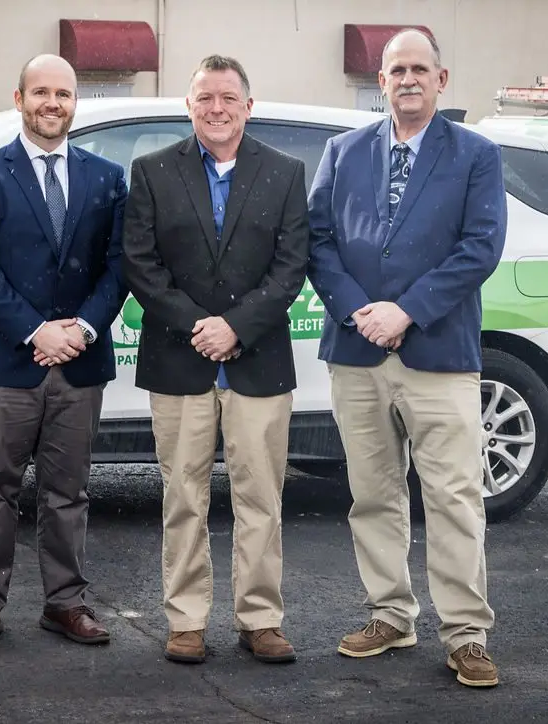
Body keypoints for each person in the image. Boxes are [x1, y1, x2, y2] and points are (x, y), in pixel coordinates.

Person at [306, 29, 507, 687]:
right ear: (381, 80)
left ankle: (466, 634)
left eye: (421, 69)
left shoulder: (475, 154)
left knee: (453, 497)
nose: (409, 79)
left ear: (441, 81)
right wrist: (359, 308)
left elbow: (479, 247)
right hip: (356, 351)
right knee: (373, 494)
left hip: (439, 354)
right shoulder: (343, 151)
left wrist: (407, 311)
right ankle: (390, 616)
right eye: (398, 70)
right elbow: (318, 240)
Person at [122, 54, 310, 665]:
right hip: (180, 361)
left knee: (261, 499)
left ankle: (260, 619)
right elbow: (141, 266)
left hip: (257, 364)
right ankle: (186, 620)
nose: (217, 108)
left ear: (248, 106)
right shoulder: (151, 172)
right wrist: (200, 327)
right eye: (205, 98)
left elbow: (290, 268)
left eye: (228, 98)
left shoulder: (285, 173)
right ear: (189, 105)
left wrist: (236, 328)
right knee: (183, 497)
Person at [0, 54, 129, 649]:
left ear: (77, 102)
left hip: (79, 363)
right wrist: (37, 331)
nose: (53, 104)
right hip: (4, 363)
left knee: (68, 490)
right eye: (42, 93)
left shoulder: (106, 177)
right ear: (19, 97)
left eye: (64, 94)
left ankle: (66, 603)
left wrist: (83, 329)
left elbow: (119, 266)